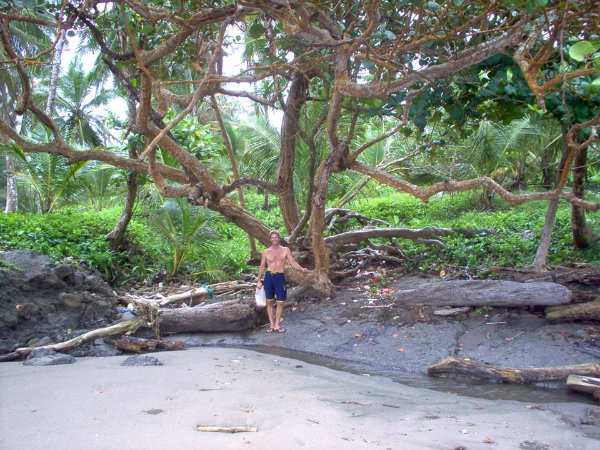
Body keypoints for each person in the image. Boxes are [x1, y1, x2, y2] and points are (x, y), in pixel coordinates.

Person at [257, 230, 308, 333]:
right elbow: (262, 266)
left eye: (276, 237)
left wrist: (301, 268)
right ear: (270, 239)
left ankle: (277, 325)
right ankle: (271, 325)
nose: (274, 239)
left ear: (279, 239)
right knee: (269, 301)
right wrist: (258, 281)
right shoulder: (266, 252)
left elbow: (292, 262)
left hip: (280, 277)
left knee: (280, 302)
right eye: (273, 237)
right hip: (269, 277)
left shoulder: (285, 250)